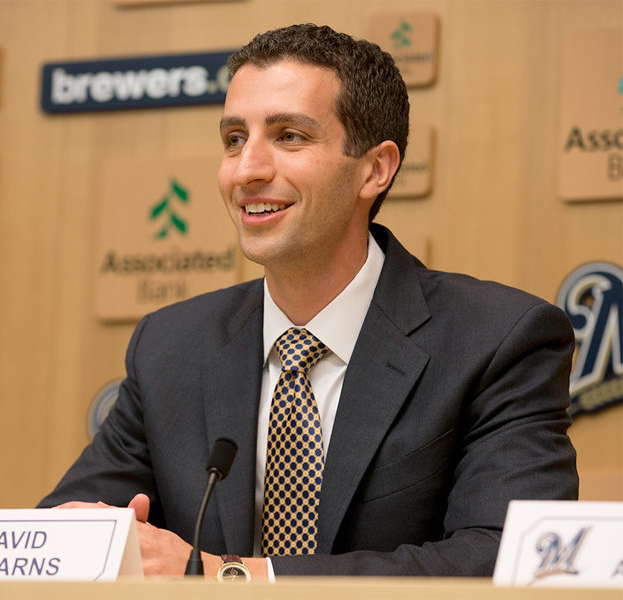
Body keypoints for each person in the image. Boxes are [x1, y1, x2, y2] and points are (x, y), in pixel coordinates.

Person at [38, 24, 578, 579]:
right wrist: (90, 542)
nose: (247, 169)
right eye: (233, 139)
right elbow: (63, 530)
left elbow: (508, 558)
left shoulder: (498, 339)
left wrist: (230, 575)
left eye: (290, 136)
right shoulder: (171, 346)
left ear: (375, 169)